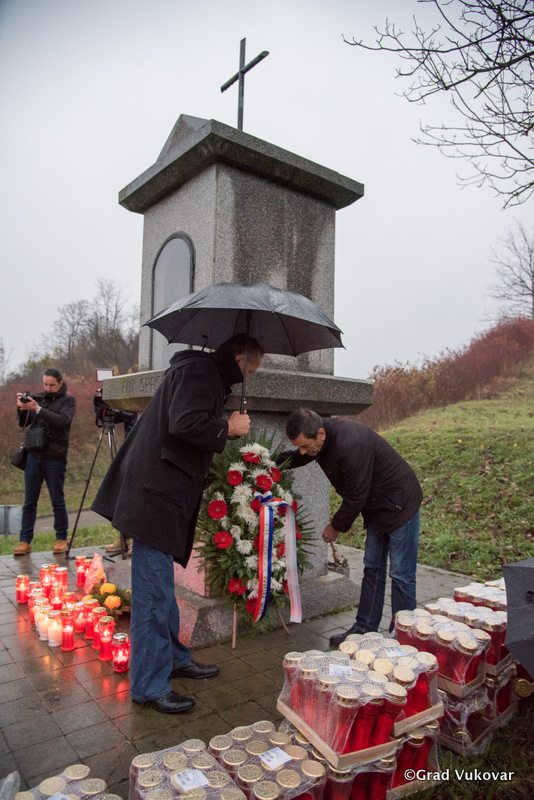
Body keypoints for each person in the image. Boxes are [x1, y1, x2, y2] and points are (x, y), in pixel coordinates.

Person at [91, 335, 263, 714]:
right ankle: (149, 685)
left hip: (160, 493)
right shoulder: (201, 372)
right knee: (153, 595)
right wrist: (227, 427)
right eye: (251, 369)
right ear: (238, 359)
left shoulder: (204, 373)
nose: (249, 377)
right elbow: (184, 423)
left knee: (162, 589)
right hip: (155, 496)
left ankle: (174, 658)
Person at [280, 408, 423, 645]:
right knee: (373, 568)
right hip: (376, 507)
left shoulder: (350, 444)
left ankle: (404, 636)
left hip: (401, 503)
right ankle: (364, 629)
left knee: (400, 574)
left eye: (305, 446)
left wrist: (335, 527)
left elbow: (356, 496)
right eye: (299, 447)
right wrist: (268, 462)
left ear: (320, 433)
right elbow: (299, 457)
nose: (303, 451)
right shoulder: (321, 440)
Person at [14, 368, 77, 556]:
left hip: (55, 457)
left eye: (51, 385)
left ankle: (61, 538)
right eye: (45, 385)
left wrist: (38, 409)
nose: (48, 388)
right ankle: (24, 540)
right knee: (29, 501)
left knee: (57, 500)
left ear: (60, 383)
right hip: (34, 455)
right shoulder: (38, 398)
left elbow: (62, 421)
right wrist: (22, 408)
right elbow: (23, 423)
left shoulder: (68, 401)